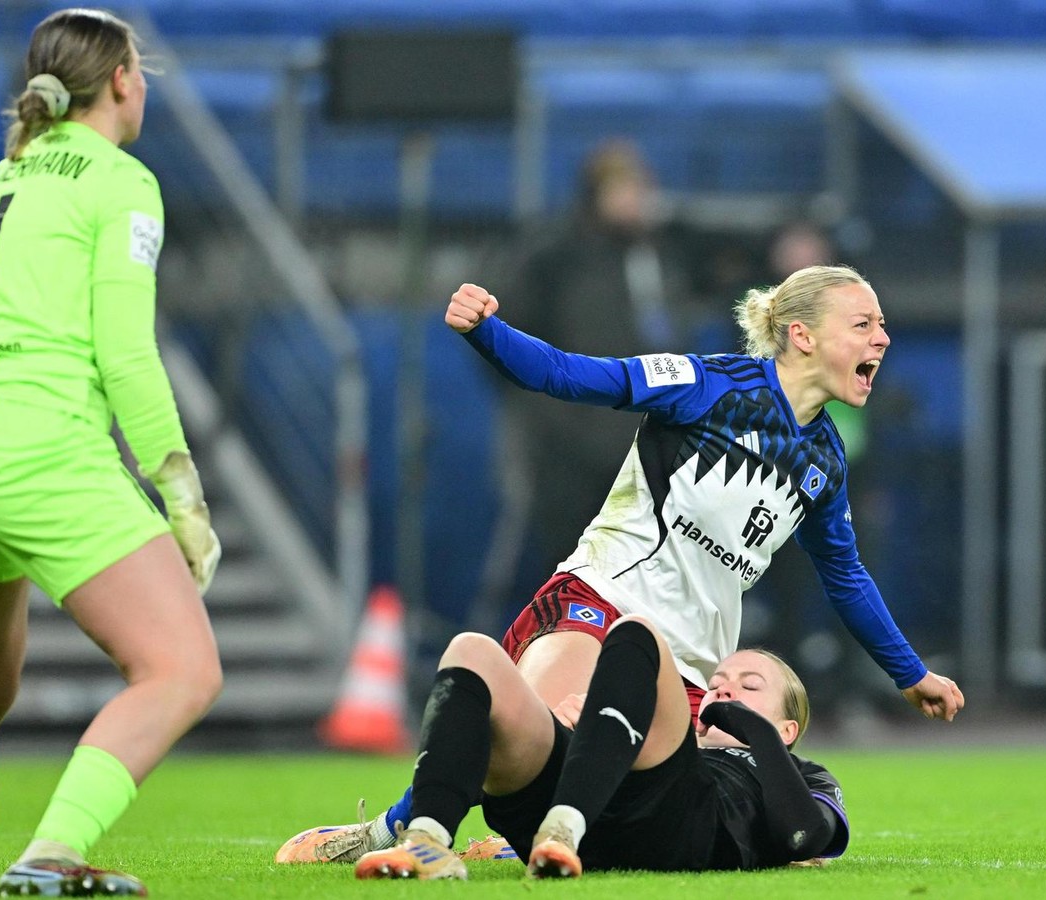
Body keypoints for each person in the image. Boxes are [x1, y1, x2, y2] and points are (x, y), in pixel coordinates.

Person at [277, 265, 962, 864]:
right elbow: (572, 376)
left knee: (624, 803)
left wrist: (912, 674)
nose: (883, 339)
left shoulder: (826, 463)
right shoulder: (706, 384)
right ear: (803, 335)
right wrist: (489, 332)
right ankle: (396, 830)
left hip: (691, 663)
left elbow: (845, 577)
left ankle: (511, 839)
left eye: (882, 326)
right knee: (536, 731)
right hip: (602, 600)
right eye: (864, 323)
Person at [0, 9, 223, 895]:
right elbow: (126, 351)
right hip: (38, 446)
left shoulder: (0, 178)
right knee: (180, 668)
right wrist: (178, 485)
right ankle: (50, 857)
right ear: (122, 82)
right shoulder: (122, 180)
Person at [351, 616, 847, 879]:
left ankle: (563, 828)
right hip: (594, 802)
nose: (722, 690)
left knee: (638, 632)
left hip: (678, 829)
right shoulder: (670, 740)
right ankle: (428, 839)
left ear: (787, 729)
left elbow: (802, 837)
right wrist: (580, 733)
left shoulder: (805, 775)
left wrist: (751, 733)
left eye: (750, 684)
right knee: (471, 650)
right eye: (717, 681)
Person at [492, 139, 714, 582]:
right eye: (622, 190)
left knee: (646, 576)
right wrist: (545, 410)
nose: (634, 202)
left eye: (640, 190)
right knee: (574, 570)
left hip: (648, 448)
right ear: (595, 196)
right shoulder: (556, 258)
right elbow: (503, 336)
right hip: (571, 450)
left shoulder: (661, 255)